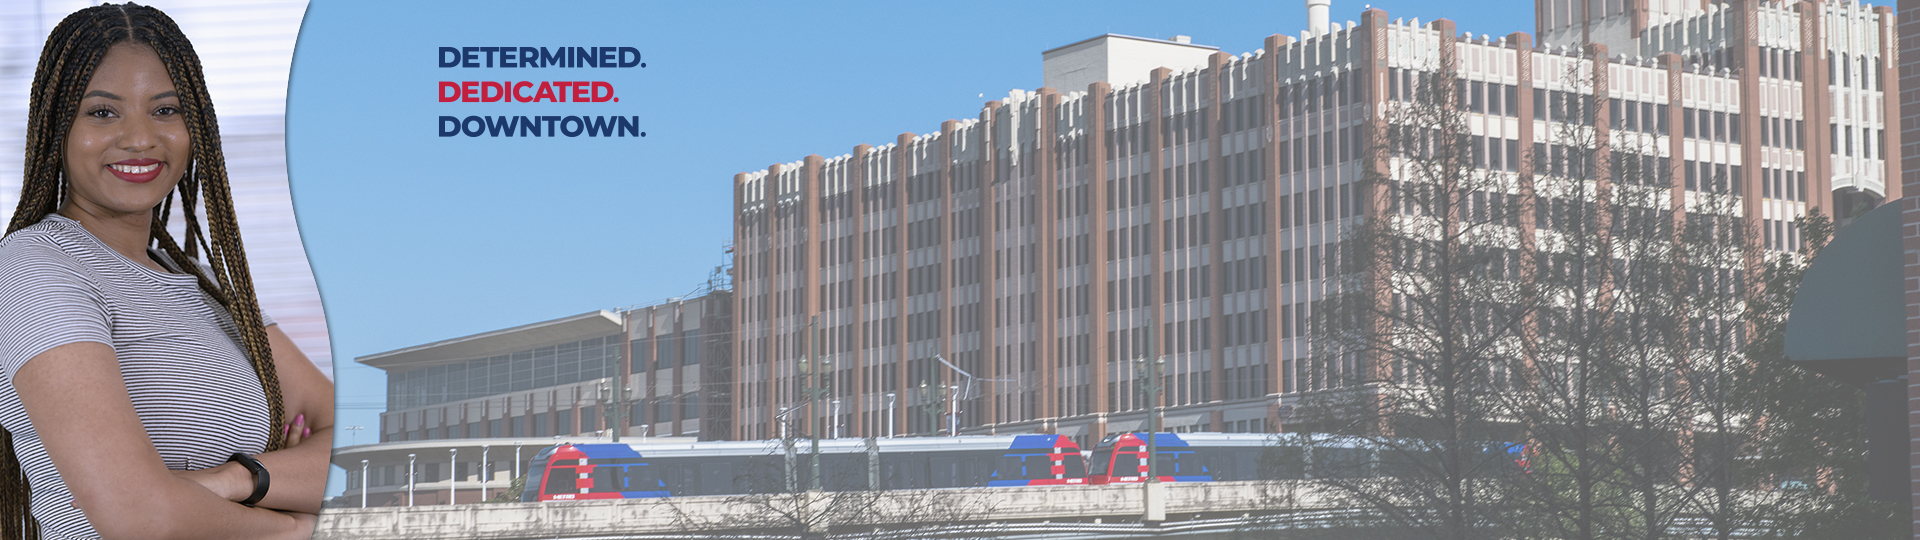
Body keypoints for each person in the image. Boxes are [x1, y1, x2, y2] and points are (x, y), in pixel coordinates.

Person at [0, 4, 331, 539]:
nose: (140, 138)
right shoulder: (38, 266)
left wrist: (236, 481)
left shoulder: (202, 286)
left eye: (166, 110)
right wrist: (295, 528)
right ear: (56, 127)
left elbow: (364, 451)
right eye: (102, 112)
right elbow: (140, 517)